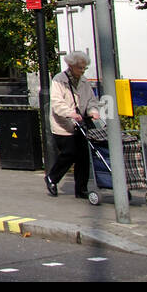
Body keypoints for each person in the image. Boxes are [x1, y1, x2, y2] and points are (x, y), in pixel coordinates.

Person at [45, 52, 102, 200]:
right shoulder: (59, 80)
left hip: (81, 124)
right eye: (80, 68)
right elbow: (57, 103)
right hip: (63, 125)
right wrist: (70, 113)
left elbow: (91, 100)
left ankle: (81, 189)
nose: (82, 71)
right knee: (69, 153)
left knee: (83, 157)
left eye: (84, 68)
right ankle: (52, 178)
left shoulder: (84, 81)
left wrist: (93, 111)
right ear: (71, 66)